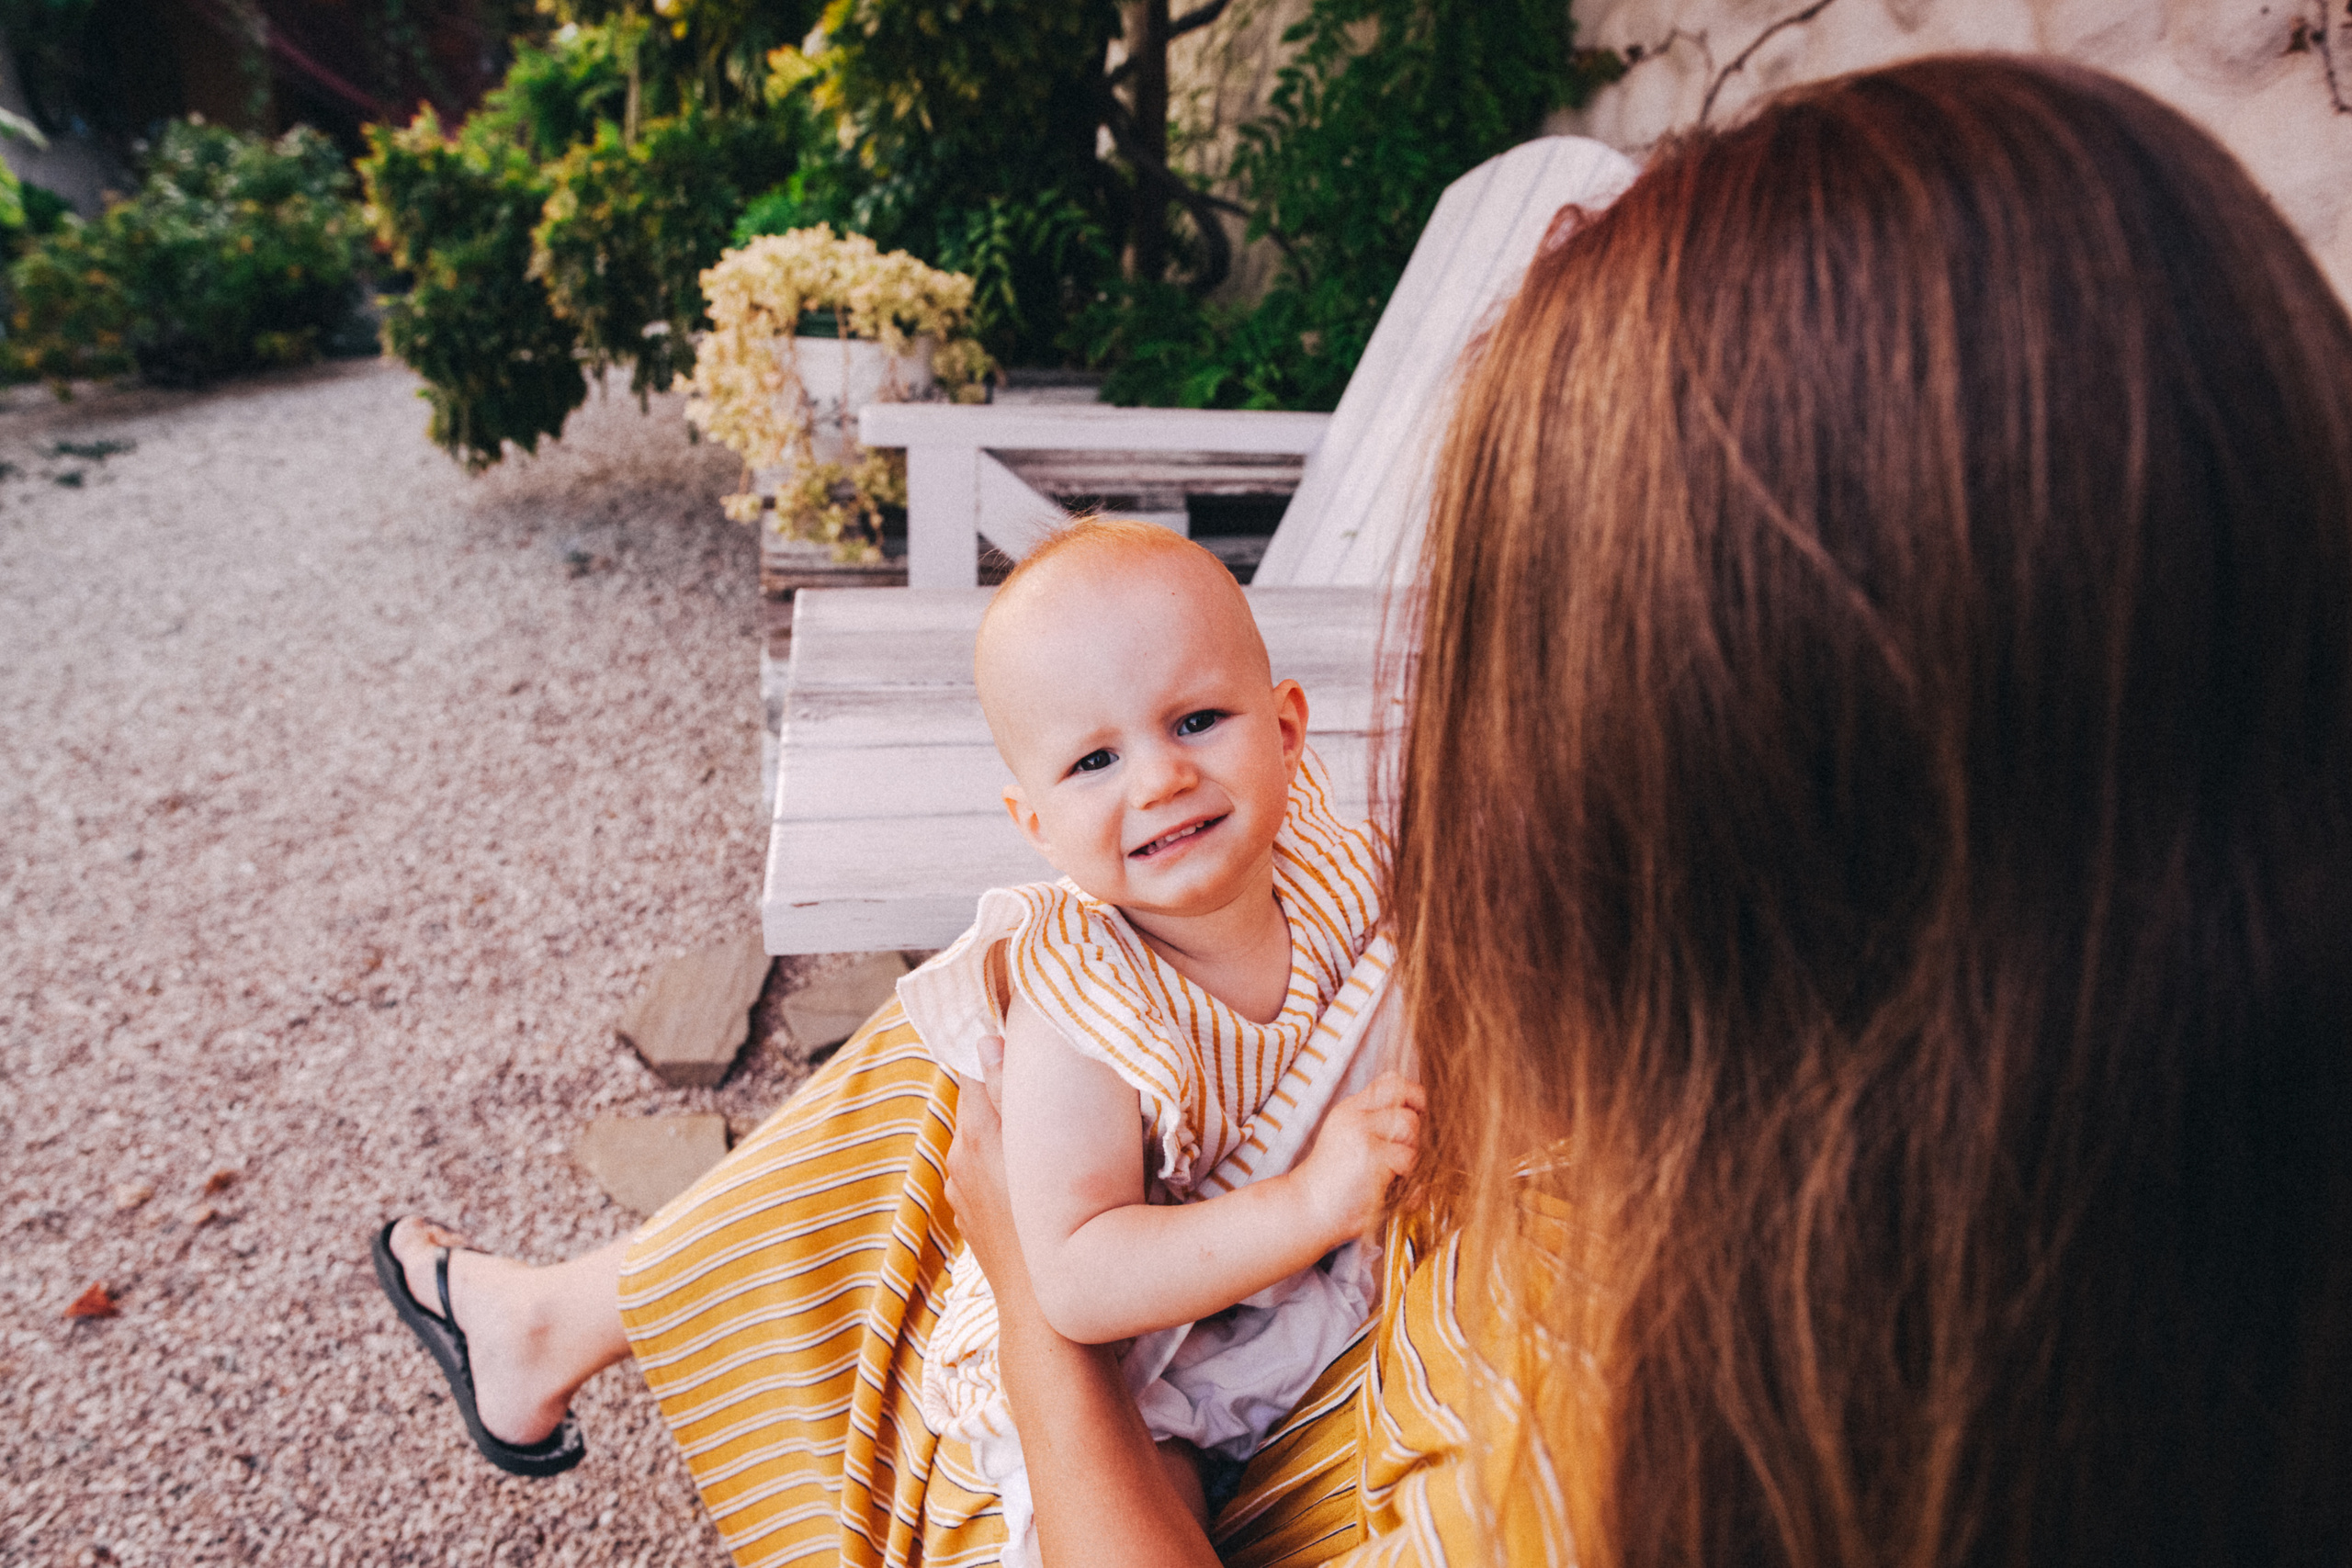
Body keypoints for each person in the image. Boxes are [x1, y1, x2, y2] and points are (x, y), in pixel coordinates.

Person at [376, 53, 2352, 1568]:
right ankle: (555, 1321)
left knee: (970, 1112)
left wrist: (1054, 1335)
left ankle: (572, 1325)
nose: (1499, 733)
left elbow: (1094, 1275)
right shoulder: (2116, 1107)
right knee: (1017, 993)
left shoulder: (1689, 1432)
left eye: (1528, 655)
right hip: (1317, 1222)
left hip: (1185, 1427)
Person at [896, 518, 1423, 1562]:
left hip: (1278, 1290)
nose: (1158, 780)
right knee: (1159, 1497)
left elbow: (1404, 974)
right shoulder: (1084, 1006)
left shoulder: (1331, 863)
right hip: (1145, 1359)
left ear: (1284, 732)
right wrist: (1309, 1201)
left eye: (1195, 720)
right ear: (1034, 823)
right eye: (1094, 758)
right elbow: (1077, 1279)